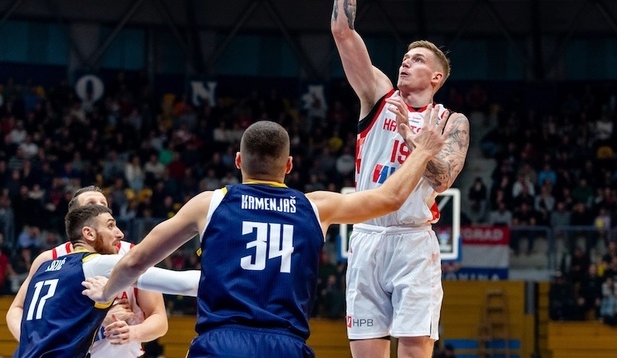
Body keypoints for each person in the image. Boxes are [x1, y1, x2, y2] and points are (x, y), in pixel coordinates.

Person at [82, 116, 450, 358]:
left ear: (238, 161)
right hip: (285, 345)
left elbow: (134, 262)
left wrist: (105, 292)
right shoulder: (316, 207)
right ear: (288, 166)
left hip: (220, 343)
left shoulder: (209, 204)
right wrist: (422, 151)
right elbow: (389, 198)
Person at [330, 0, 470, 358]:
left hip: (414, 241)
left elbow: (444, 177)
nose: (407, 61)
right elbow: (341, 30)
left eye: (419, 59)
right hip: (368, 236)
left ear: (436, 78)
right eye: (406, 56)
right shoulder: (377, 93)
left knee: (413, 352)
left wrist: (415, 143)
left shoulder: (450, 121)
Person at [13, 204, 199, 358]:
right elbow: (184, 283)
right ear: (89, 233)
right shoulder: (95, 264)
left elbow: (54, 328)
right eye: (110, 226)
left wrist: (99, 319)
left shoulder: (44, 268)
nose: (119, 234)